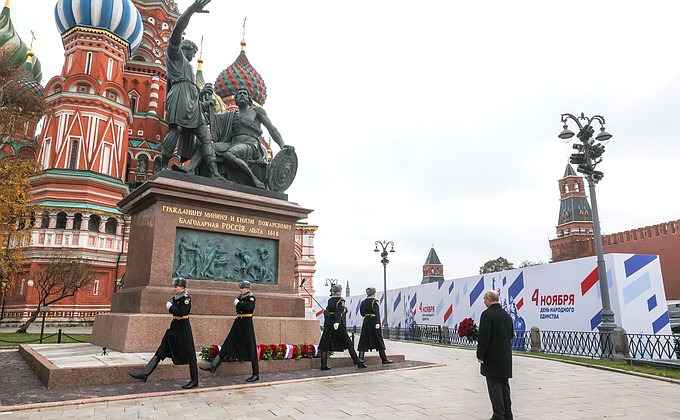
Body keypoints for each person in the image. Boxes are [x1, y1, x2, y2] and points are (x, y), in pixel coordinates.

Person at [159, 0, 224, 180]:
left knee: (204, 134)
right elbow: (177, 31)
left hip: (191, 100)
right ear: (183, 48)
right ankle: (163, 165)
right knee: (177, 128)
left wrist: (202, 97)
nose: (193, 56)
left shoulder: (188, 66)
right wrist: (190, 11)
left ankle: (214, 172)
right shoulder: (175, 55)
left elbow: (192, 90)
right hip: (179, 94)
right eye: (191, 52)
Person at [210, 87, 293, 188]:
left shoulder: (256, 111)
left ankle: (254, 179)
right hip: (233, 143)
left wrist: (282, 145)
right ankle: (212, 174)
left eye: (244, 93)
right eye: (239, 94)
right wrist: (204, 98)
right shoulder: (232, 115)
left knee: (229, 155)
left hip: (250, 145)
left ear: (249, 98)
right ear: (235, 99)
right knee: (209, 147)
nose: (241, 95)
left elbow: (272, 129)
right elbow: (212, 118)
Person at [129, 278, 198, 389]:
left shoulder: (186, 299)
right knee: (161, 351)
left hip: (183, 330)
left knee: (190, 354)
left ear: (183, 288)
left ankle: (194, 380)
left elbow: (182, 312)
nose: (174, 288)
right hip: (174, 328)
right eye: (174, 286)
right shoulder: (175, 299)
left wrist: (171, 308)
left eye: (176, 286)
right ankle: (145, 373)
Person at [200, 280, 259, 382]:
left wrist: (239, 303)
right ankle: (213, 365)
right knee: (227, 343)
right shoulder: (240, 297)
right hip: (238, 323)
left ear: (247, 288)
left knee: (251, 348)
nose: (241, 290)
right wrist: (239, 302)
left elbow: (249, 307)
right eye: (240, 288)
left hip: (246, 325)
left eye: (242, 288)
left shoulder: (251, 298)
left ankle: (256, 374)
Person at [477, 290, 514, 420]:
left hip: (492, 359)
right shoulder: (506, 316)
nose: (483, 302)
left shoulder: (487, 315)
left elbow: (484, 337)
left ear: (488, 298)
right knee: (504, 387)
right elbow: (510, 335)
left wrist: (480, 354)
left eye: (484, 299)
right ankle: (507, 415)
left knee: (494, 387)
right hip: (505, 358)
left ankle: (498, 415)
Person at [318, 284, 367, 370]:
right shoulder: (341, 300)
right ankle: (358, 362)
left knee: (325, 343)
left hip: (329, 322)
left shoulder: (330, 300)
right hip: (338, 324)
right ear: (340, 291)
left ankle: (323, 364)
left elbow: (329, 311)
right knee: (348, 343)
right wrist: (337, 322)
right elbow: (339, 311)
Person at [357, 287, 393, 364]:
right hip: (374, 321)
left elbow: (362, 313)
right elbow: (376, 313)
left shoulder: (363, 302)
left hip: (366, 322)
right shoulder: (375, 301)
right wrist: (377, 323)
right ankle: (384, 359)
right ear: (374, 293)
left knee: (363, 340)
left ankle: (360, 359)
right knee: (378, 340)